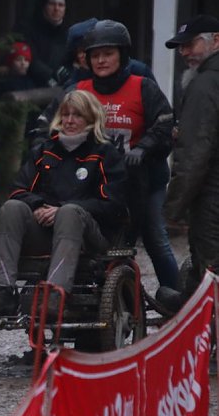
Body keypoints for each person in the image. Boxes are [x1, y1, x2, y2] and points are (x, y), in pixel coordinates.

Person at [0, 90, 128, 317]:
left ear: (90, 118)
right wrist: (38, 205)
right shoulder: (45, 151)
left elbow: (113, 206)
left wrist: (61, 210)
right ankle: (3, 290)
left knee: (69, 212)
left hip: (89, 235)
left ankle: (56, 293)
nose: (69, 121)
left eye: (77, 115)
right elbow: (19, 190)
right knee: (11, 208)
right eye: (65, 115)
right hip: (46, 232)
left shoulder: (104, 154)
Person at [73, 20, 178, 290]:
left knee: (154, 236)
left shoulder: (143, 86)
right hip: (97, 184)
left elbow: (166, 124)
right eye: (95, 55)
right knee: (94, 241)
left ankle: (176, 299)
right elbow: (53, 121)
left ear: (122, 54)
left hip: (144, 182)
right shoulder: (81, 90)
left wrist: (144, 147)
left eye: (108, 54)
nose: (101, 60)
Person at [160, 14, 219, 307]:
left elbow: (195, 153)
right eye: (180, 47)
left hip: (212, 196)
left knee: (211, 268)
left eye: (190, 45)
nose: (183, 53)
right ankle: (187, 305)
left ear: (216, 41)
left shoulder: (205, 84)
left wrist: (173, 206)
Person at [16, 0, 69, 87]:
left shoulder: (67, 32)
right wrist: (49, 75)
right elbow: (29, 57)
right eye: (52, 4)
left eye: (61, 5)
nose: (56, 8)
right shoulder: (27, 28)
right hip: (31, 83)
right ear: (44, 7)